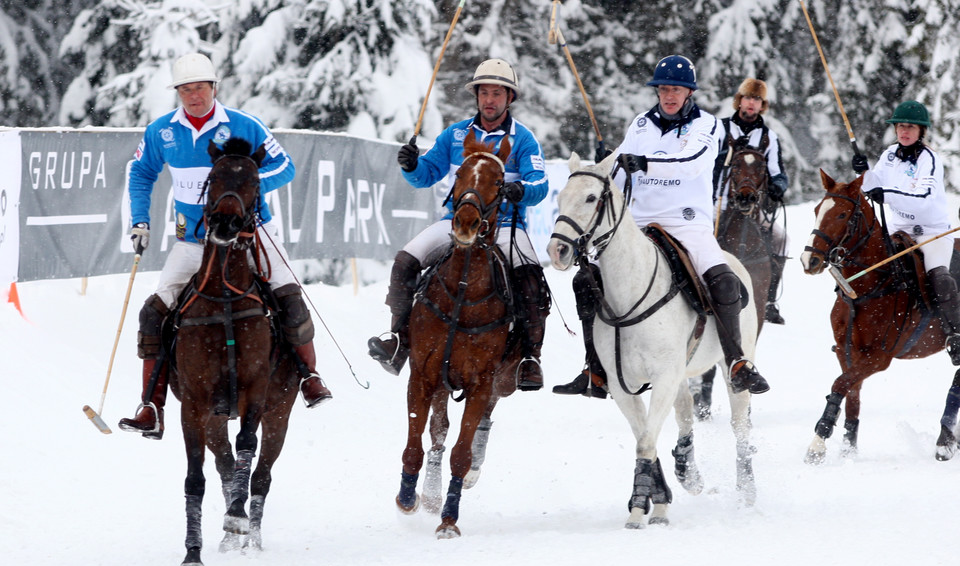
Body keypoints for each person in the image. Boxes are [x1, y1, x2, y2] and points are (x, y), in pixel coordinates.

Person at [119, 52, 332, 439]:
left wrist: (240, 189)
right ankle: (152, 406)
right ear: (178, 93)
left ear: (214, 87)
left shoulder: (243, 125)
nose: (193, 95)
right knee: (155, 311)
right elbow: (141, 172)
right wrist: (140, 219)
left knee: (289, 295)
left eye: (200, 87)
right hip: (194, 238)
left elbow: (285, 167)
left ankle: (309, 377)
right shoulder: (161, 131)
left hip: (250, 233)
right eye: (186, 89)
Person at [554, 54, 769, 397]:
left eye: (677, 89)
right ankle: (594, 368)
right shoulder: (641, 124)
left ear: (689, 93)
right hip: (639, 224)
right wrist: (604, 168)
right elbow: (621, 170)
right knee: (586, 279)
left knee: (726, 281)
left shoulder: (707, 125)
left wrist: (645, 163)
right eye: (664, 89)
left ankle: (736, 362)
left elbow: (692, 163)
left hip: (687, 223)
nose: (669, 95)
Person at [367, 58, 550, 389]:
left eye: (497, 93)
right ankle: (399, 340)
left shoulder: (523, 140)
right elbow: (425, 176)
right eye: (484, 93)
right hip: (457, 223)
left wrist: (520, 189)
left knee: (531, 279)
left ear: (509, 98)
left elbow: (540, 185)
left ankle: (529, 357)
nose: (489, 100)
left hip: (505, 226)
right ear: (477, 97)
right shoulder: (454, 135)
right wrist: (410, 166)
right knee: (405, 261)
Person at [851, 100, 960, 365]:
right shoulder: (889, 155)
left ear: (921, 131)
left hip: (932, 232)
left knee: (940, 278)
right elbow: (874, 186)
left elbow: (922, 197)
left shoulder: (930, 160)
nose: (904, 131)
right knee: (871, 266)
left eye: (910, 127)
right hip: (900, 230)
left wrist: (885, 194)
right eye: (900, 126)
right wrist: (864, 172)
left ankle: (955, 334)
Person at [714, 78, 790, 325]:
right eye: (748, 97)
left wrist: (779, 186)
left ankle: (768, 301)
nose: (751, 103)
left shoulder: (768, 137)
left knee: (781, 240)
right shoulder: (720, 128)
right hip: (717, 203)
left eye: (757, 99)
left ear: (762, 105)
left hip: (751, 208)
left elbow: (778, 172)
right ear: (739, 100)